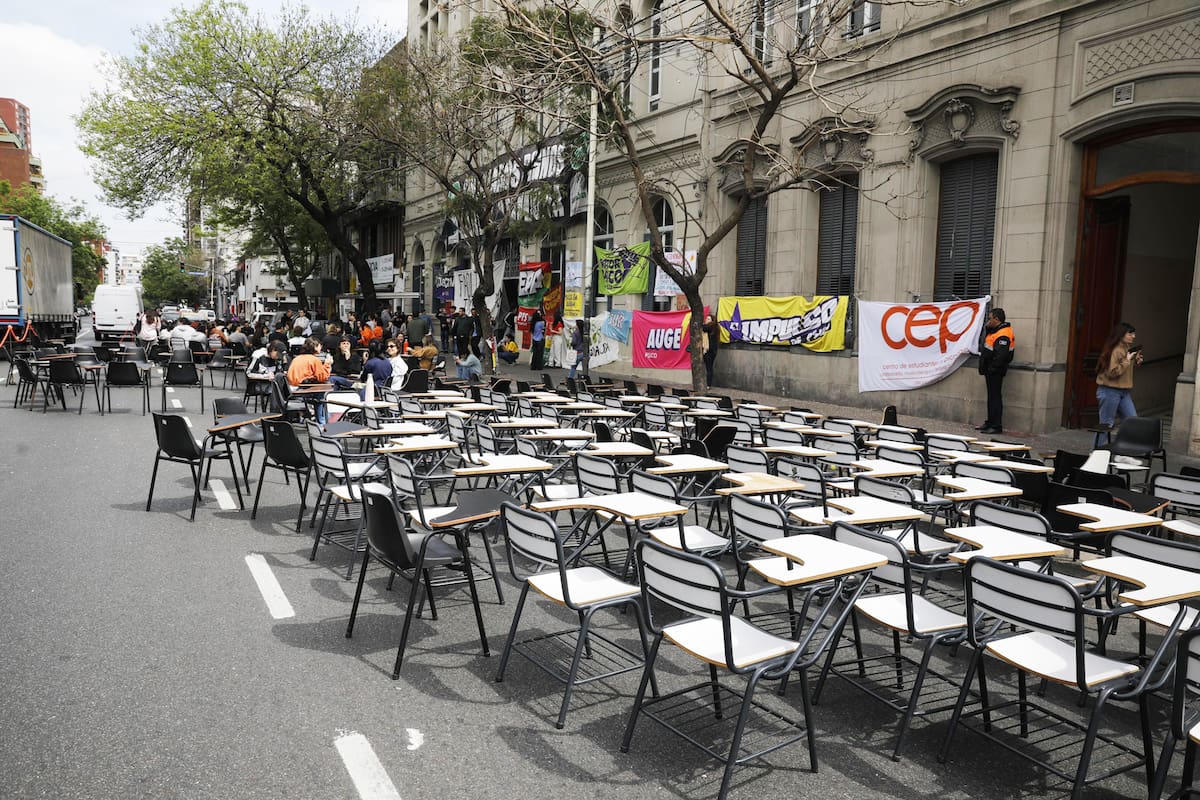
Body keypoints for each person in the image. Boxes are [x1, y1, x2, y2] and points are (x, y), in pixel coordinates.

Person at [1095, 321, 1142, 442]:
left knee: (1132, 421)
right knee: (1106, 424)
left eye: (1134, 333)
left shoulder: (1127, 348)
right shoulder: (1116, 350)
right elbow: (1112, 373)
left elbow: (1124, 371)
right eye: (1130, 334)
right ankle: (1096, 451)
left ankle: (1122, 448)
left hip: (1124, 391)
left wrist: (1136, 361)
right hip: (1109, 391)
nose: (1133, 336)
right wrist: (1127, 361)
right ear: (1121, 335)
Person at [976, 308, 1015, 434]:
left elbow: (1001, 356)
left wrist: (992, 368)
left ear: (997, 319)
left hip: (995, 371)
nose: (988, 321)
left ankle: (996, 425)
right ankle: (990, 422)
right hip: (991, 370)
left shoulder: (1003, 334)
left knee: (995, 398)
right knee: (991, 397)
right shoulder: (995, 331)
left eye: (990, 318)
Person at [702, 313, 720, 387]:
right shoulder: (712, 327)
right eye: (706, 318)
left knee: (709, 367)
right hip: (709, 350)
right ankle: (707, 384)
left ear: (712, 320)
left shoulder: (712, 326)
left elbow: (703, 328)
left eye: (708, 319)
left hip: (710, 350)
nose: (706, 320)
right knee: (708, 367)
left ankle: (708, 384)